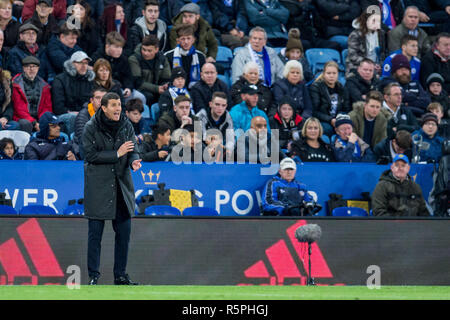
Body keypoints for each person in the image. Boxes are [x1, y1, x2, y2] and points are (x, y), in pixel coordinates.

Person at [82, 92, 142, 285]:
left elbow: (133, 149)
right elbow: (90, 155)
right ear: (104, 108)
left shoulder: (126, 125)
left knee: (123, 234)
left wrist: (133, 161)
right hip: (98, 186)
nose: (118, 108)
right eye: (114, 105)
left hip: (121, 186)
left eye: (119, 105)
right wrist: (117, 153)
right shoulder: (90, 127)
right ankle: (93, 276)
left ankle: (120, 275)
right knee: (95, 235)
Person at [51, 51, 95, 136]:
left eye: (86, 63)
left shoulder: (89, 81)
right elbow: (58, 107)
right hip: (64, 114)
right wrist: (71, 112)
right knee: (73, 118)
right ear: (72, 64)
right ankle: (74, 143)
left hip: (84, 113)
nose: (83, 66)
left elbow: (90, 102)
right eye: (80, 62)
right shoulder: (60, 80)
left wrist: (84, 112)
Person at [90, 32, 136, 104]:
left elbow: (128, 76)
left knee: (140, 97)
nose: (119, 50)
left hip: (120, 88)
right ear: (107, 46)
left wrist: (128, 88)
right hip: (103, 89)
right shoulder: (96, 58)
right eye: (116, 47)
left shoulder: (123, 59)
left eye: (121, 47)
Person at [379, 54, 431, 118]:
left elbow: (426, 101)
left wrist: (408, 104)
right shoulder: (388, 82)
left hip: (418, 118)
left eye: (406, 69)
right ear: (394, 72)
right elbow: (402, 97)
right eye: (400, 69)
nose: (404, 72)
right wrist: (416, 98)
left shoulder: (416, 84)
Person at [11, 56, 52, 134]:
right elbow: (19, 109)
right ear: (23, 68)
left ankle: (50, 145)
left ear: (38, 69)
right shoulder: (15, 84)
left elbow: (47, 107)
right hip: (21, 118)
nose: (31, 69)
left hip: (39, 119)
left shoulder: (44, 85)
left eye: (34, 66)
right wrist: (34, 123)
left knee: (53, 121)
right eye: (28, 66)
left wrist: (42, 121)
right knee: (25, 124)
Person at [309, 61, 350, 137]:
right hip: (322, 120)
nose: (331, 76)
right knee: (328, 129)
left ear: (338, 74)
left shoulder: (341, 88)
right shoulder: (316, 87)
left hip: (337, 119)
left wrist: (340, 119)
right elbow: (314, 111)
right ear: (324, 74)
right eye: (329, 73)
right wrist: (330, 120)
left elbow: (346, 108)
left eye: (334, 73)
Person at [346, 9, 388, 76]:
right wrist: (370, 65)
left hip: (376, 67)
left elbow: (383, 53)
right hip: (358, 67)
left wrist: (380, 65)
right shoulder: (355, 35)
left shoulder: (381, 34)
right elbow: (353, 56)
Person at [164, 24, 206, 89]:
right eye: (183, 39)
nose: (186, 42)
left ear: (193, 40)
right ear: (178, 40)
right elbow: (166, 78)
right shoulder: (168, 56)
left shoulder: (200, 56)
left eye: (188, 38)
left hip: (195, 90)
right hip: (174, 90)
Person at [73, 87, 107, 155]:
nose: (101, 100)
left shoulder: (111, 114)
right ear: (91, 100)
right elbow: (83, 139)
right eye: (98, 98)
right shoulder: (83, 115)